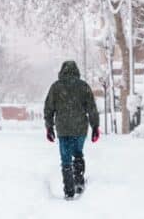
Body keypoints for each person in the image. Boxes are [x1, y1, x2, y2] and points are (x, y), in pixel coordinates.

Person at [44, 60, 100, 199]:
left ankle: (69, 190)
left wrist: (49, 127)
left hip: (63, 129)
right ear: (76, 71)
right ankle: (79, 181)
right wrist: (95, 127)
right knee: (78, 153)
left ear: (62, 71)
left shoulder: (56, 87)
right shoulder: (83, 87)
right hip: (80, 128)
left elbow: (48, 109)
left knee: (66, 159)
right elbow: (92, 108)